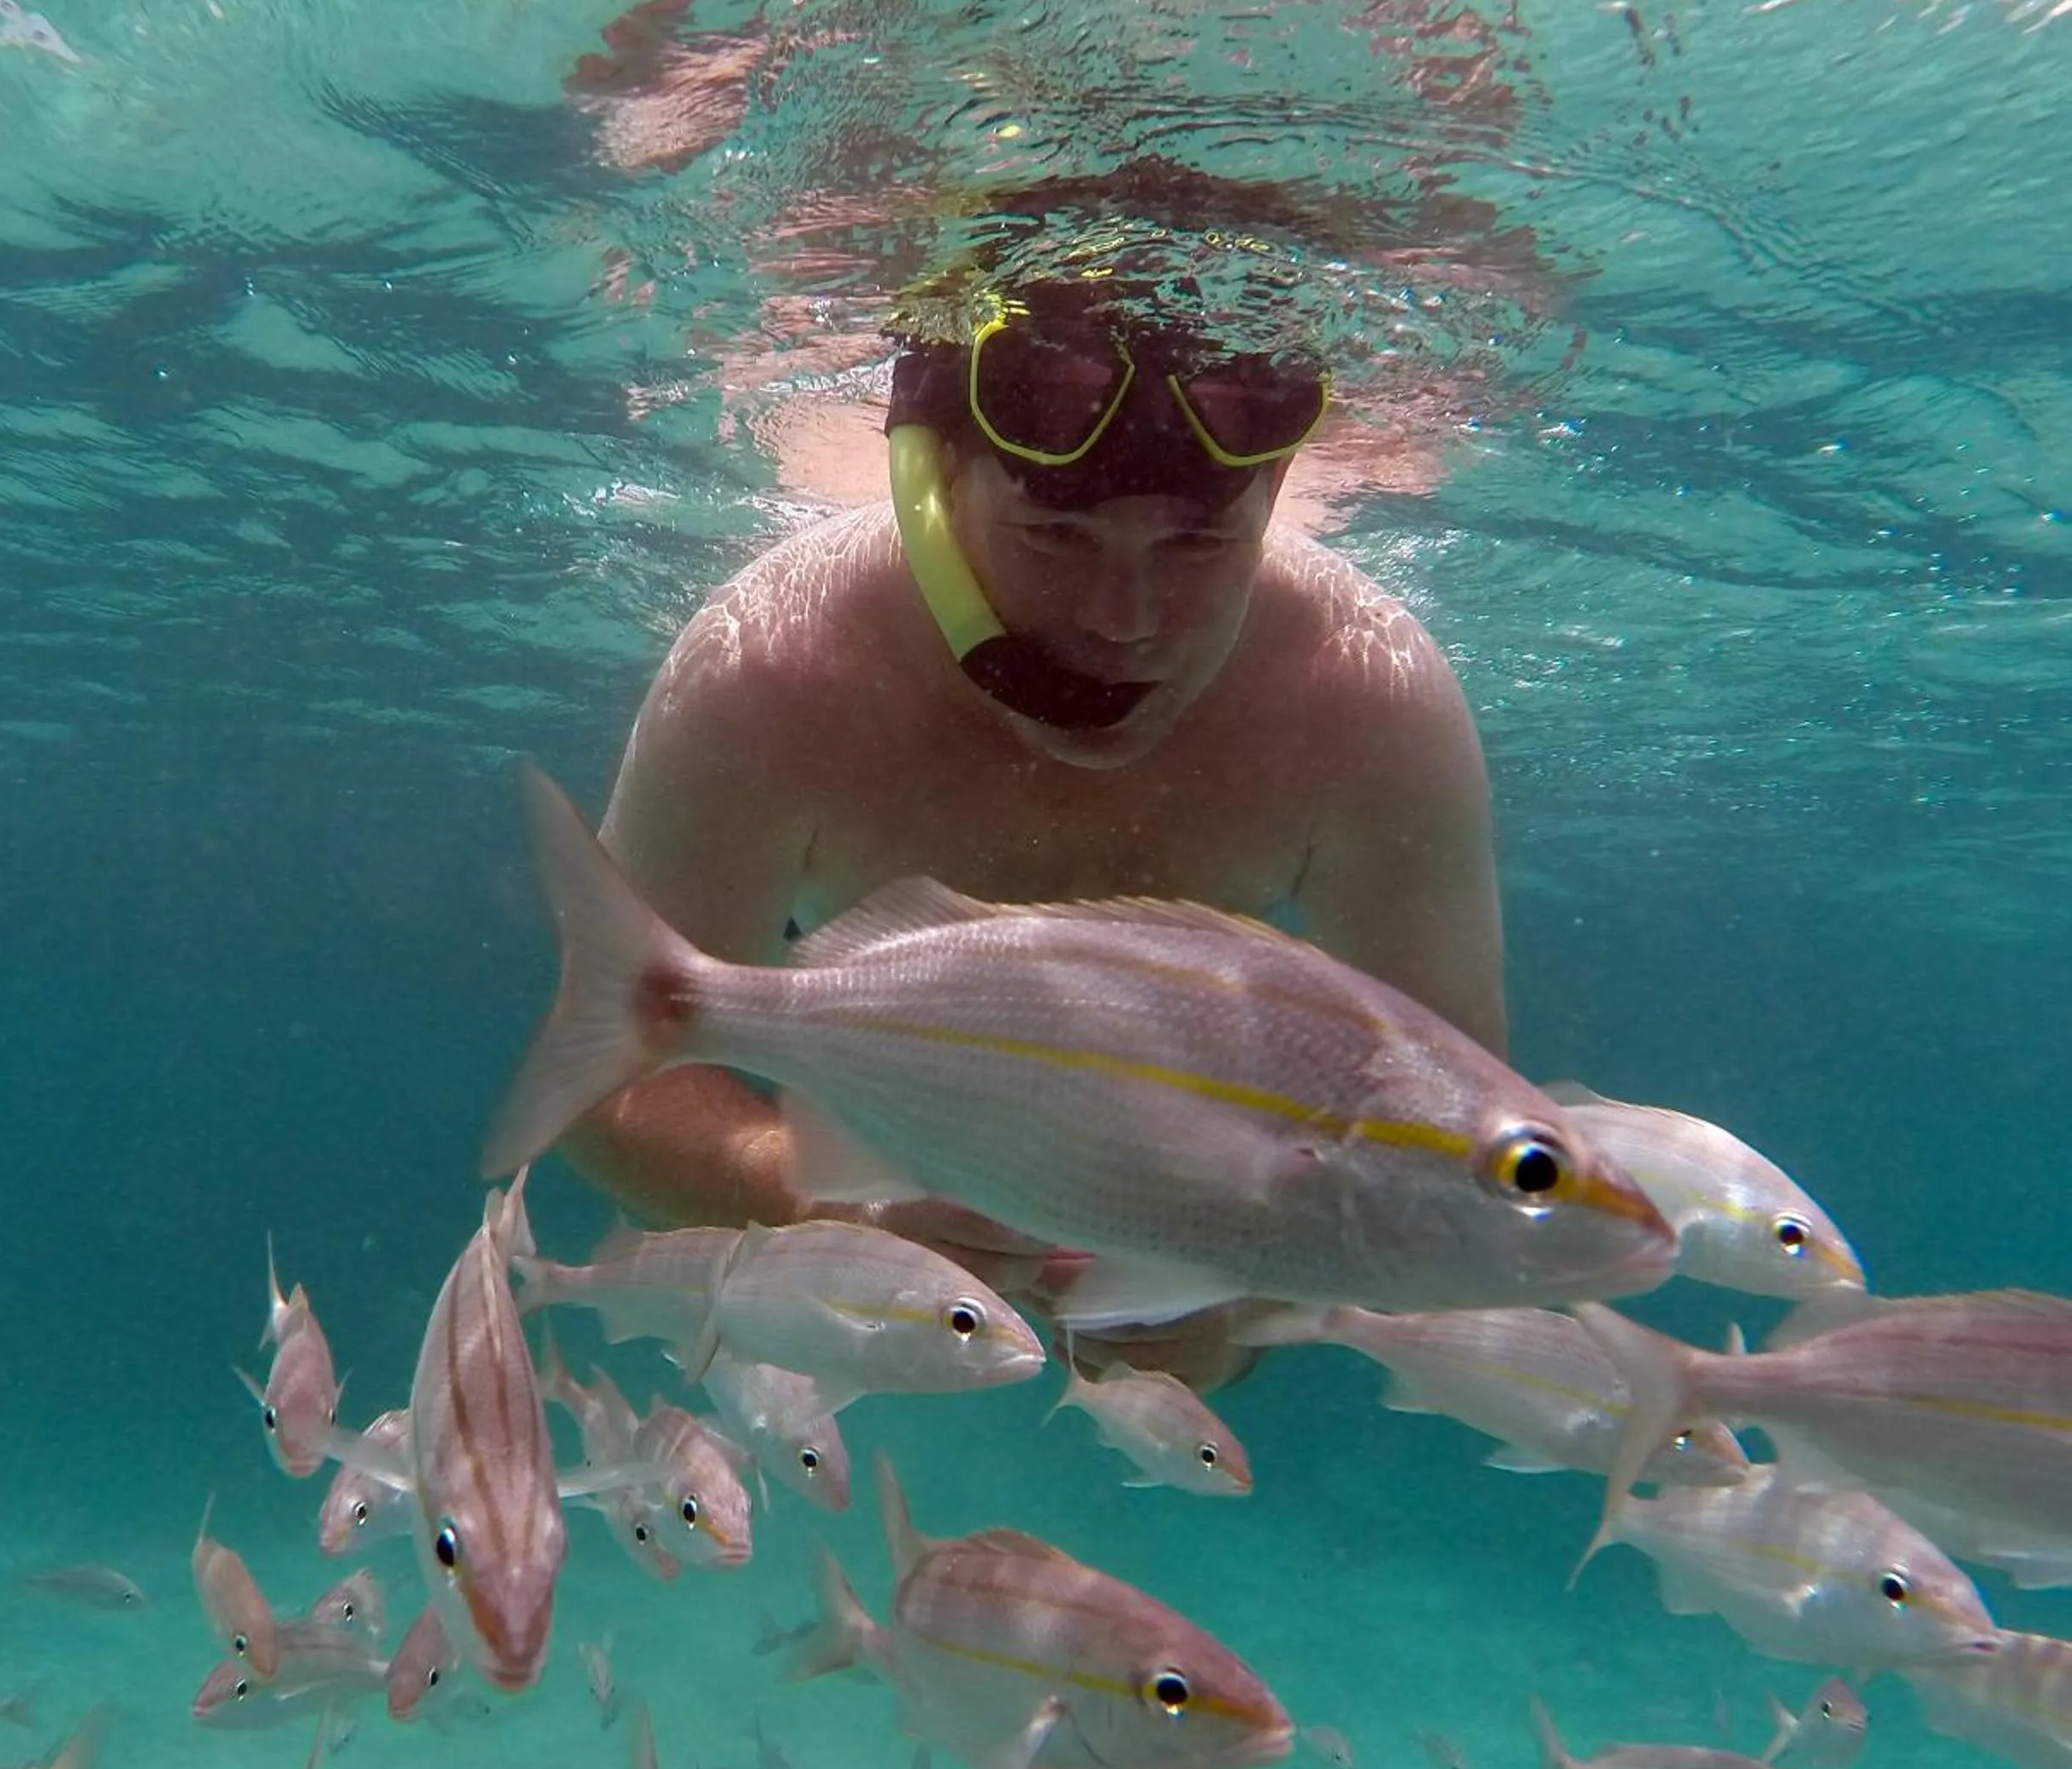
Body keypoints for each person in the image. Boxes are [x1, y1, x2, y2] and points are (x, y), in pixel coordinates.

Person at [557, 228, 1508, 1274]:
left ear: (1276, 494)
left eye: (1197, 543)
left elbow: (1455, 1136)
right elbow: (615, 1088)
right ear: (939, 478)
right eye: (1056, 536)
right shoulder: (770, 671)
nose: (1126, 616)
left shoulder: (1369, 696)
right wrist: (818, 1202)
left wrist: (1240, 1315)